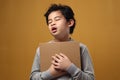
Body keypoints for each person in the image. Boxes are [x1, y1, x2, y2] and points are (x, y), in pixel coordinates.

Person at [30, 4, 94, 80]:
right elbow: (32, 78)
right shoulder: (41, 50)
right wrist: (51, 73)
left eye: (57, 19)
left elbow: (91, 78)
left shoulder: (81, 48)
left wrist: (70, 67)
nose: (52, 23)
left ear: (70, 23)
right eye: (49, 22)